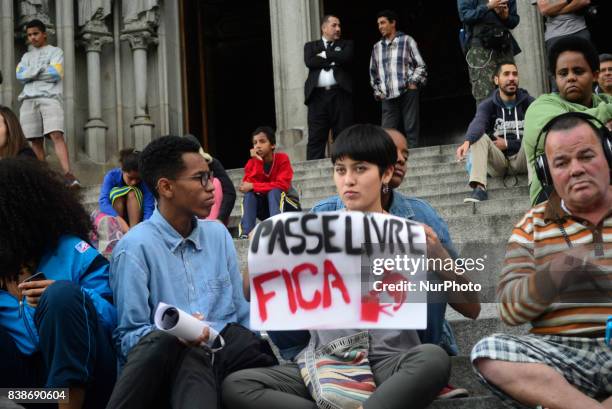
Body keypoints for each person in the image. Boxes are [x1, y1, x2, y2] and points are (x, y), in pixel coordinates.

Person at [222, 124, 451, 409]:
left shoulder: (407, 230)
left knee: (433, 359)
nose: (349, 180)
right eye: (341, 170)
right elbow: (248, 291)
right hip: (327, 363)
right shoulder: (310, 232)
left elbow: (469, 299)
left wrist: (438, 253)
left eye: (360, 169)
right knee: (237, 385)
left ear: (387, 174)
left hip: (391, 361)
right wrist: (262, 248)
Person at [471, 113, 612, 409]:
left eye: (587, 156)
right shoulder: (531, 225)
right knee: (489, 352)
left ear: (609, 154)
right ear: (546, 172)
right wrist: (557, 272)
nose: (576, 170)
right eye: (561, 163)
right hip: (561, 355)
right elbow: (510, 310)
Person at [107, 136, 249, 409]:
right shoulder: (134, 248)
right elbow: (128, 338)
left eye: (210, 177)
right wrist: (179, 334)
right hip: (173, 368)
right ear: (166, 187)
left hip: (228, 357)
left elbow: (242, 314)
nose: (211, 188)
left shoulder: (218, 234)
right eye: (200, 179)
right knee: (190, 355)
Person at [0, 158, 117, 409]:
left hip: (87, 386)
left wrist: (76, 297)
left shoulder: (74, 252)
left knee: (62, 296)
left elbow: (114, 319)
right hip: (32, 397)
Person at [523, 36, 612, 205]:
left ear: (594, 75)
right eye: (563, 73)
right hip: (552, 197)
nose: (570, 78)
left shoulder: (605, 102)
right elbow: (560, 134)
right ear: (556, 79)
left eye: (578, 71)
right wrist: (605, 117)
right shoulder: (540, 106)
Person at [456, 61, 534, 202]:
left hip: (523, 159)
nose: (511, 78)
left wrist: (509, 144)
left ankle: (536, 187)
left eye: (515, 74)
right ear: (496, 80)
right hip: (499, 163)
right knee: (479, 136)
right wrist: (467, 142)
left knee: (535, 132)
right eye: (506, 74)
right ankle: (479, 188)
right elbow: (478, 122)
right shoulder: (488, 104)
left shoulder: (528, 102)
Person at [16, 19, 79, 187]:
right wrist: (40, 70)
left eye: (35, 33)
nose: (32, 38)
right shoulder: (26, 56)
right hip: (28, 100)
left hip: (49, 98)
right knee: (34, 140)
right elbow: (19, 76)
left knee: (56, 134)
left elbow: (55, 73)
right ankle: (44, 177)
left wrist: (31, 73)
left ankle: (68, 174)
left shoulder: (55, 52)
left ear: (44, 34)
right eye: (29, 35)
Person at [370, 10, 427, 149]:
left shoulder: (407, 40)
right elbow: (373, 73)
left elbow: (420, 65)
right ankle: (389, 160)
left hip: (407, 90)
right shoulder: (377, 47)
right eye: (378, 24)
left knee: (411, 126)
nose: (380, 27)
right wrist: (379, 92)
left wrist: (413, 82)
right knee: (387, 132)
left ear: (393, 23)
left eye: (383, 22)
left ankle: (414, 155)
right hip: (388, 95)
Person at [304, 15, 354, 160]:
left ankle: (345, 166)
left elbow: (346, 57)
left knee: (343, 134)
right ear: (324, 28)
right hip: (317, 98)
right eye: (334, 25)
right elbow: (310, 62)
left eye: (339, 26)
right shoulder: (310, 46)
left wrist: (324, 54)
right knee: (316, 136)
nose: (338, 29)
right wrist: (334, 58)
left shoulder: (346, 44)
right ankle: (313, 168)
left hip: (340, 95)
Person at [457, 0, 521, 104]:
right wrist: (489, 6)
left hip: (504, 47)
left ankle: (511, 119)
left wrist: (505, 17)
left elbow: (514, 20)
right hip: (480, 51)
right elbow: (465, 16)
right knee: (485, 98)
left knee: (510, 93)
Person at [239, 126, 294, 238]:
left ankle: (276, 229)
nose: (257, 145)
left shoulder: (282, 159)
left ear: (272, 145)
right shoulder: (251, 163)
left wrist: (254, 186)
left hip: (288, 206)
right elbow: (246, 187)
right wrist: (258, 163)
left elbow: (282, 185)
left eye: (262, 141)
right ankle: (246, 233)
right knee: (249, 195)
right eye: (255, 143)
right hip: (267, 209)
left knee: (275, 191)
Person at [183, 134, 237, 225]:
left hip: (214, 215)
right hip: (192, 215)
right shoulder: (181, 169)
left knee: (216, 183)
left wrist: (221, 219)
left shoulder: (211, 163)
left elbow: (230, 192)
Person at [98, 148, 154, 233]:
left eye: (138, 179)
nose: (134, 182)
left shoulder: (145, 181)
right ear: (122, 169)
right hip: (117, 219)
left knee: (132, 192)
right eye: (130, 178)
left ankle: (133, 231)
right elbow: (103, 202)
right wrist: (117, 218)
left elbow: (149, 206)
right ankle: (119, 232)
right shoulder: (111, 176)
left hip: (137, 220)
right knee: (116, 193)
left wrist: (146, 226)